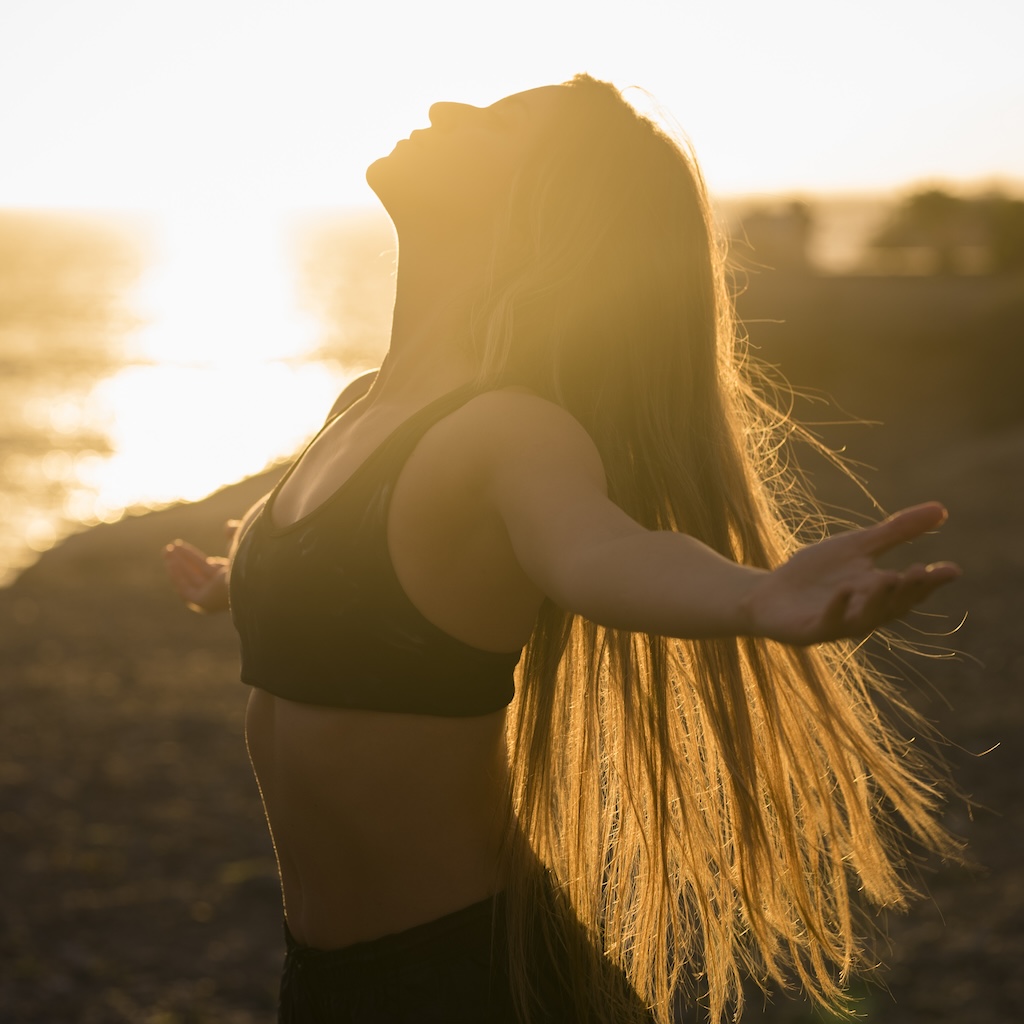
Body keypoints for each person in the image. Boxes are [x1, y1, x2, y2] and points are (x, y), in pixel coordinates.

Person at [164, 75, 962, 1024]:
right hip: (329, 979)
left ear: (540, 205)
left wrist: (749, 598)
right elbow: (349, 577)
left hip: (468, 980)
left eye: (498, 122)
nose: (450, 110)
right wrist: (237, 580)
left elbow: (598, 553)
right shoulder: (363, 409)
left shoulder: (508, 429)